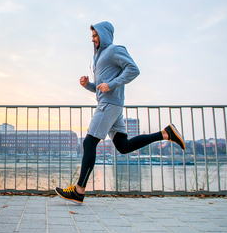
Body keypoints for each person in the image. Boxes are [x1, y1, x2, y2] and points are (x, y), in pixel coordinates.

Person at [55, 21, 185, 205]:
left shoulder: (115, 50)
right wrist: (88, 85)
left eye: (95, 35)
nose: (92, 40)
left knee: (89, 141)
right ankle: (165, 133)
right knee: (123, 146)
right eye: (91, 36)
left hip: (109, 105)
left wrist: (112, 84)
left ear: (104, 34)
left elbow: (134, 69)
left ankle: (79, 190)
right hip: (110, 104)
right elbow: (102, 88)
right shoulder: (98, 57)